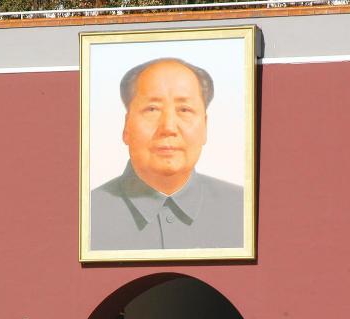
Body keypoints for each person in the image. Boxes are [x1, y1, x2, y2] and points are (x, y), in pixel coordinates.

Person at [90, 57, 243, 251]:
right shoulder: (87, 214)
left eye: (184, 109)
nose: (168, 127)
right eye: (152, 109)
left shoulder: (241, 209)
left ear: (205, 126)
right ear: (126, 127)